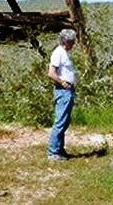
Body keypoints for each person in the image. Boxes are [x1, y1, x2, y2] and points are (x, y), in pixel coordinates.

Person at [47, 28, 78, 160]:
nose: (74, 44)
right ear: (66, 41)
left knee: (64, 121)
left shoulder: (63, 53)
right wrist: (62, 82)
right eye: (72, 41)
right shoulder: (58, 53)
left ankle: (59, 149)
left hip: (68, 90)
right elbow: (51, 73)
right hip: (63, 91)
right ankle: (53, 152)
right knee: (60, 121)